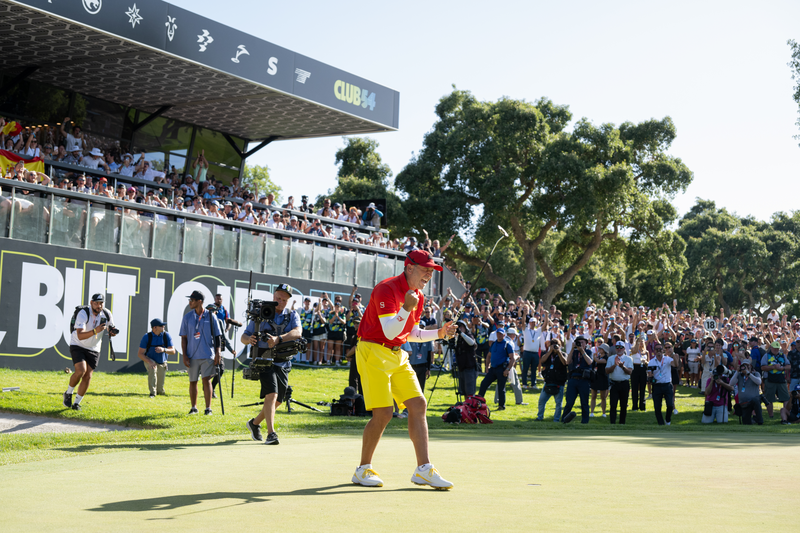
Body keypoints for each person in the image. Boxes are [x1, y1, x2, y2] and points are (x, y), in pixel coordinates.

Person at [351, 249, 456, 489]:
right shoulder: (386, 289)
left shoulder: (416, 296)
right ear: (409, 268)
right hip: (372, 351)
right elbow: (389, 330)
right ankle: (362, 469)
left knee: (418, 404)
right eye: (425, 269)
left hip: (398, 353)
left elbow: (413, 333)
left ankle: (424, 469)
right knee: (384, 413)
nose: (429, 274)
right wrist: (407, 308)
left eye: (432, 270)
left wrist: (439, 333)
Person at [243, 283, 302, 445]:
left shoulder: (292, 315)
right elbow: (244, 336)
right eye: (277, 298)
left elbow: (298, 332)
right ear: (273, 296)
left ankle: (254, 424)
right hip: (264, 359)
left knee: (278, 400)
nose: (280, 301)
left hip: (283, 361)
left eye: (283, 299)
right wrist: (250, 339)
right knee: (272, 394)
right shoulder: (262, 313)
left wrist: (279, 339)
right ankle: (271, 434)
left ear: (288, 301)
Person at [63, 294, 117, 411]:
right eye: (97, 303)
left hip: (94, 347)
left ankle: (76, 404)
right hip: (78, 344)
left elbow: (110, 327)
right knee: (81, 371)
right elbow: (80, 335)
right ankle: (68, 393)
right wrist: (95, 331)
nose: (99, 306)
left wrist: (112, 331)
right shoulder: (83, 313)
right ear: (91, 302)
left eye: (101, 303)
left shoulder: (106, 314)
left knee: (88, 376)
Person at [179, 290, 221, 415]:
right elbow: (184, 338)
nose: (190, 302)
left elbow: (218, 336)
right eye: (189, 300)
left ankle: (208, 409)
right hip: (192, 356)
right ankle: (194, 408)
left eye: (192, 300)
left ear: (200, 301)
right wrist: (185, 355)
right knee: (192, 381)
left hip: (207, 354)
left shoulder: (210, 316)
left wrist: (218, 353)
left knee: (206, 380)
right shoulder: (187, 317)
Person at [477, 328, 517, 411]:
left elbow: (512, 358)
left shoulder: (507, 344)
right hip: (493, 368)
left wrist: (507, 369)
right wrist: (487, 366)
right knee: (484, 383)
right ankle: (479, 402)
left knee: (501, 388)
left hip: (502, 369)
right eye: (498, 333)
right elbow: (488, 355)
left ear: (504, 335)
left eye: (501, 334)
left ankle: (501, 406)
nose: (499, 335)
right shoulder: (494, 344)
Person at [137, 318, 176, 398]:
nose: (163, 326)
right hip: (150, 360)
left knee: (160, 390)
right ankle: (152, 393)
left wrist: (164, 350)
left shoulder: (166, 335)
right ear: (154, 328)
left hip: (162, 362)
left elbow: (173, 351)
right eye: (161, 325)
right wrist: (149, 361)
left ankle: (158, 391)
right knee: (153, 368)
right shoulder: (147, 337)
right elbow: (140, 354)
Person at [561, 336, 594, 424]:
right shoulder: (574, 352)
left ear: (586, 343)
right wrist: (572, 349)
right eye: (578, 342)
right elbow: (567, 362)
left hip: (584, 380)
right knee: (569, 402)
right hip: (573, 379)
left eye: (582, 342)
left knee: (584, 402)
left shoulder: (588, 351)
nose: (580, 344)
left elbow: (590, 362)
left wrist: (582, 351)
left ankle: (585, 421)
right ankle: (564, 420)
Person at [647, 343, 679, 426]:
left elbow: (676, 365)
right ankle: (660, 423)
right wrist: (651, 375)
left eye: (660, 349)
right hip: (657, 385)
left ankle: (667, 420)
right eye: (657, 349)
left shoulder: (667, 359)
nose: (659, 351)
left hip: (667, 385)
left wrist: (674, 355)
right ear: (655, 351)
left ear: (663, 350)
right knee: (657, 407)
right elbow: (649, 374)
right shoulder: (651, 361)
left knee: (670, 405)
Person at [536, 339, 568, 422]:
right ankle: (540, 417)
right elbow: (542, 360)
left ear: (560, 346)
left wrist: (559, 352)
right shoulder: (548, 354)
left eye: (556, 344)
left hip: (559, 382)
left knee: (558, 403)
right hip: (548, 381)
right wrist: (550, 351)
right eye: (553, 344)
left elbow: (565, 363)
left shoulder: (563, 354)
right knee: (541, 401)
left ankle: (556, 419)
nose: (555, 346)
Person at [761, 341, 790, 418]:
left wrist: (782, 368)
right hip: (770, 380)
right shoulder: (766, 356)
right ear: (771, 348)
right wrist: (773, 367)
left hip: (781, 380)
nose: (776, 350)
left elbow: (789, 366)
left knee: (786, 397)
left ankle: (786, 414)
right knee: (769, 399)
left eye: (777, 348)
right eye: (775, 348)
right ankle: (771, 416)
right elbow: (763, 367)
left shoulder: (783, 355)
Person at [606, 341, 633, 424]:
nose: (619, 349)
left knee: (623, 405)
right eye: (617, 347)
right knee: (613, 405)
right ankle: (612, 423)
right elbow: (607, 371)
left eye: (621, 347)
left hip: (624, 383)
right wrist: (614, 365)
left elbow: (629, 372)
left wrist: (622, 367)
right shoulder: (611, 358)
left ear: (624, 348)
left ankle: (622, 423)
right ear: (615, 348)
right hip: (614, 383)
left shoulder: (628, 359)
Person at [729, 360, 763, 425]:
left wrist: (749, 374)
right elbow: (731, 383)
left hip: (754, 401)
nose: (745, 367)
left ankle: (760, 420)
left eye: (747, 365)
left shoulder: (755, 374)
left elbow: (759, 382)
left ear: (751, 366)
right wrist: (737, 371)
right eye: (744, 365)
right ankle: (752, 420)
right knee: (746, 422)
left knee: (756, 400)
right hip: (744, 403)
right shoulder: (739, 375)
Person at [453, 319, 478, 397]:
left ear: (465, 327)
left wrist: (461, 333)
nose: (459, 328)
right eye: (458, 326)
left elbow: (472, 343)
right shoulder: (458, 338)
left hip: (469, 367)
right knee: (463, 391)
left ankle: (470, 406)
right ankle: (465, 407)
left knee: (470, 391)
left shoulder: (468, 335)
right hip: (462, 367)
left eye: (461, 326)